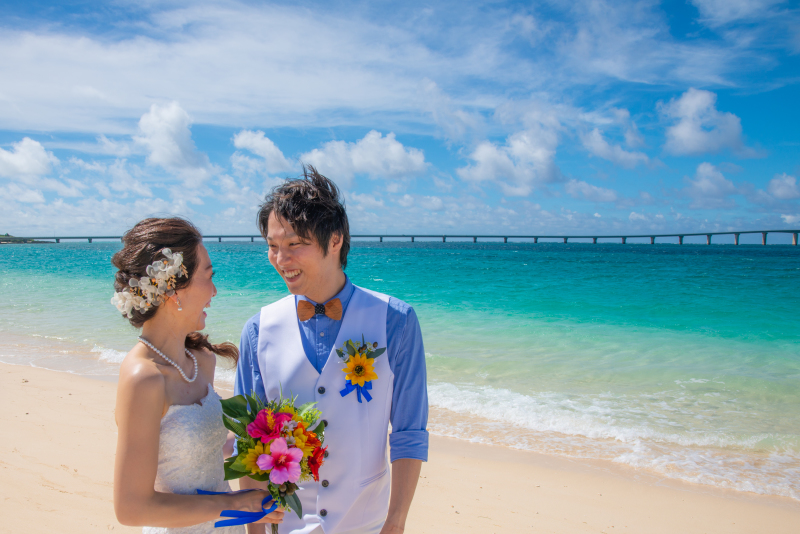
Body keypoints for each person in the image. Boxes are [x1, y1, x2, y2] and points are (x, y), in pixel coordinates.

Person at [235, 167, 429, 534]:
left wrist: (396, 523)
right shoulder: (258, 331)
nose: (281, 259)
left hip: (368, 525)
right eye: (273, 247)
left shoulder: (396, 321)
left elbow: (409, 432)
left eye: (294, 244)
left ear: (335, 240)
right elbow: (249, 444)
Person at [111, 217, 285, 533]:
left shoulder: (201, 360)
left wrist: (267, 443)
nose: (215, 290)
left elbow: (205, 447)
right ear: (174, 289)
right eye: (209, 276)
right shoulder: (144, 379)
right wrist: (234, 505)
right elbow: (131, 508)